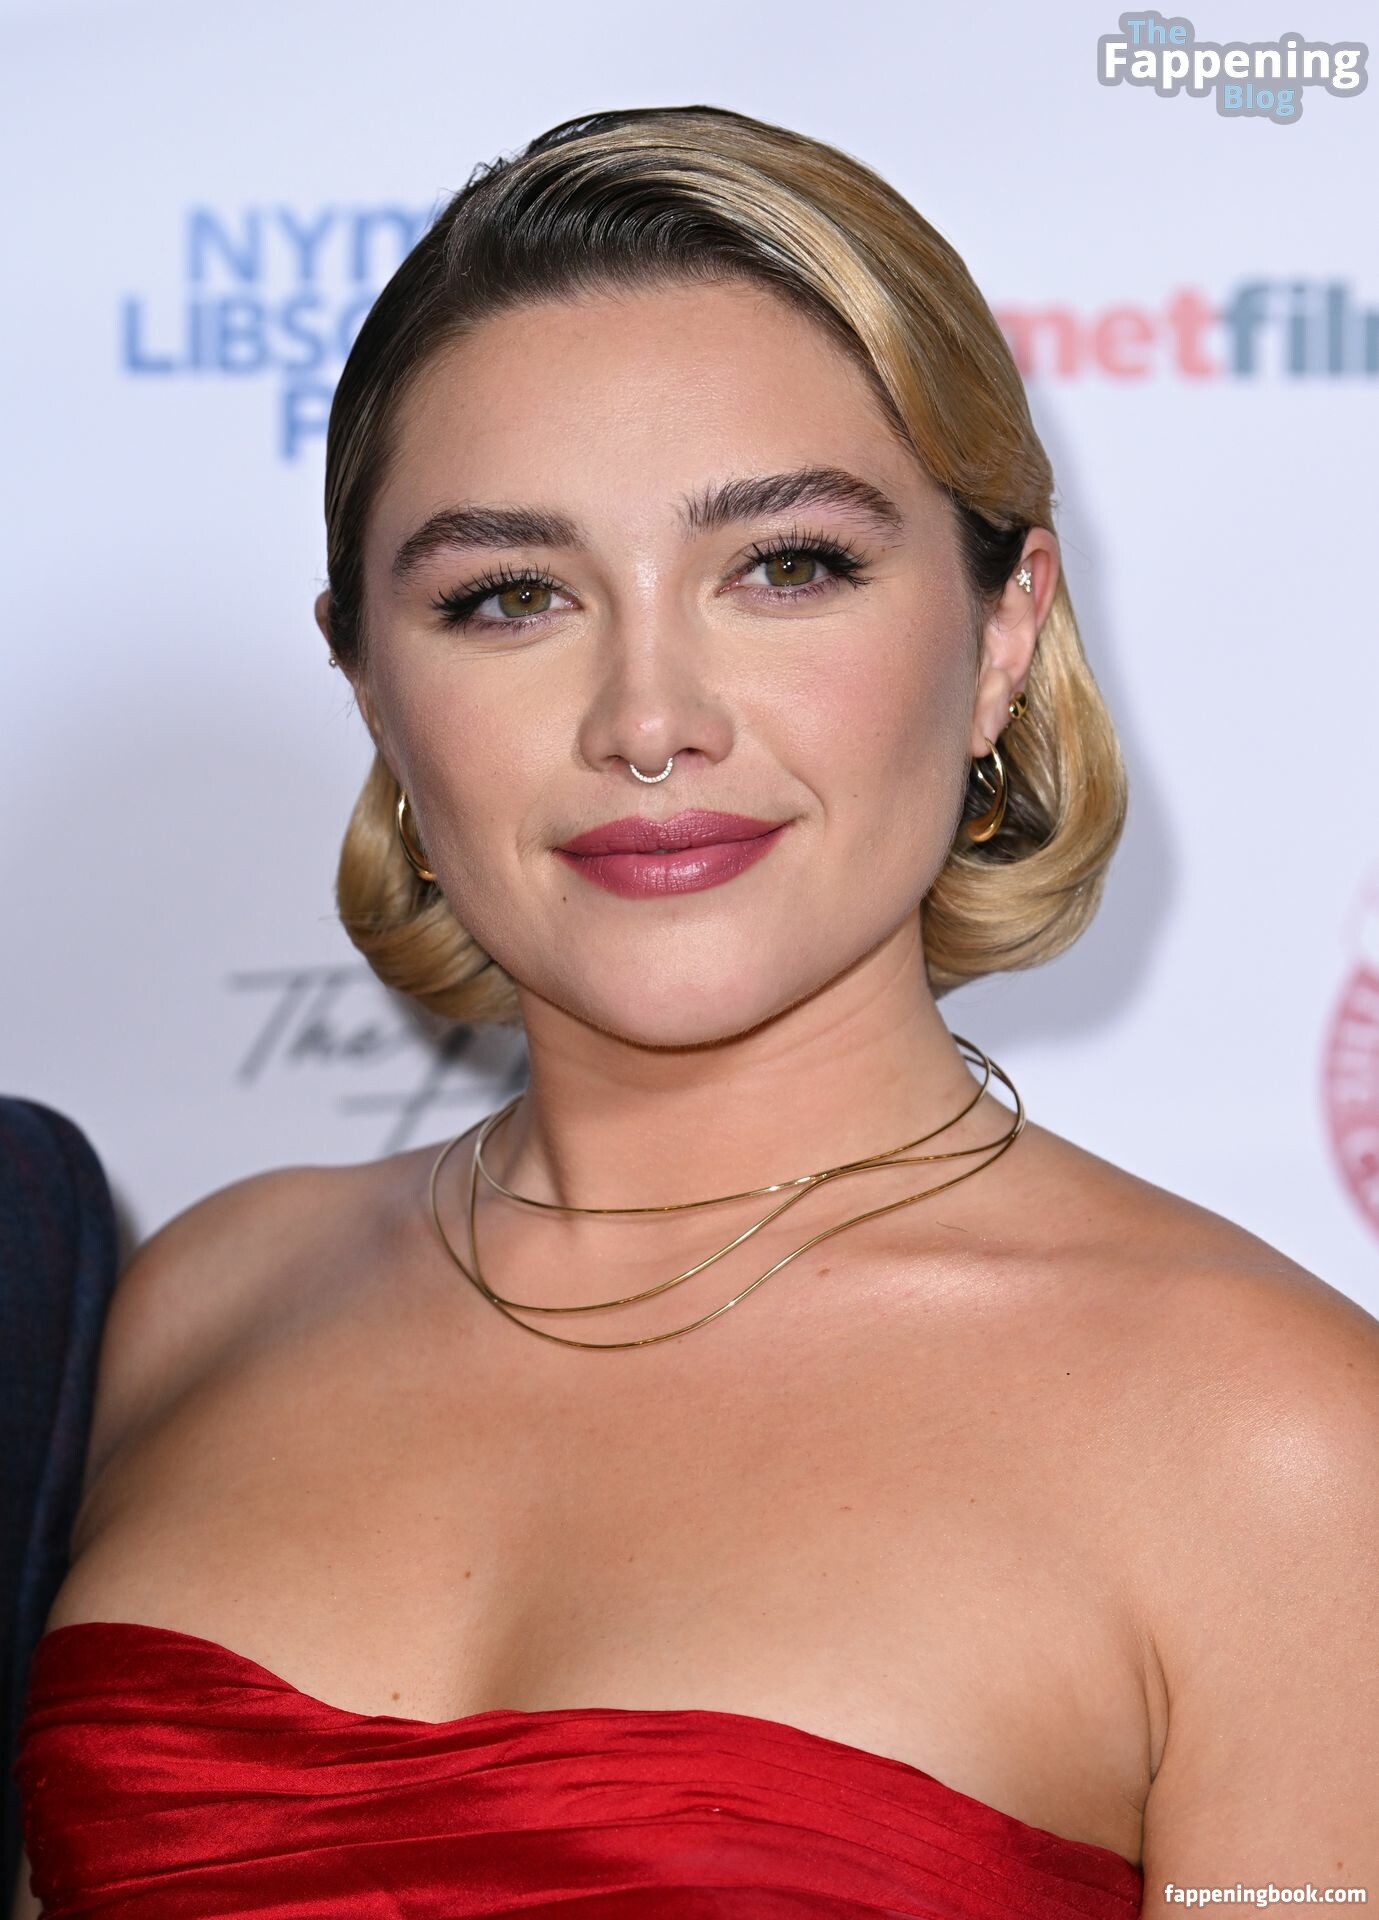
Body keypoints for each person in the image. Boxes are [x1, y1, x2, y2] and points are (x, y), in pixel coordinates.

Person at [13, 104, 1378, 1918]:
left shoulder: (1279, 1449)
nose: (649, 718)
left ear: (1001, 633)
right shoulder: (195, 1305)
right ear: (370, 686)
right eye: (510, 597)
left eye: (786, 567)